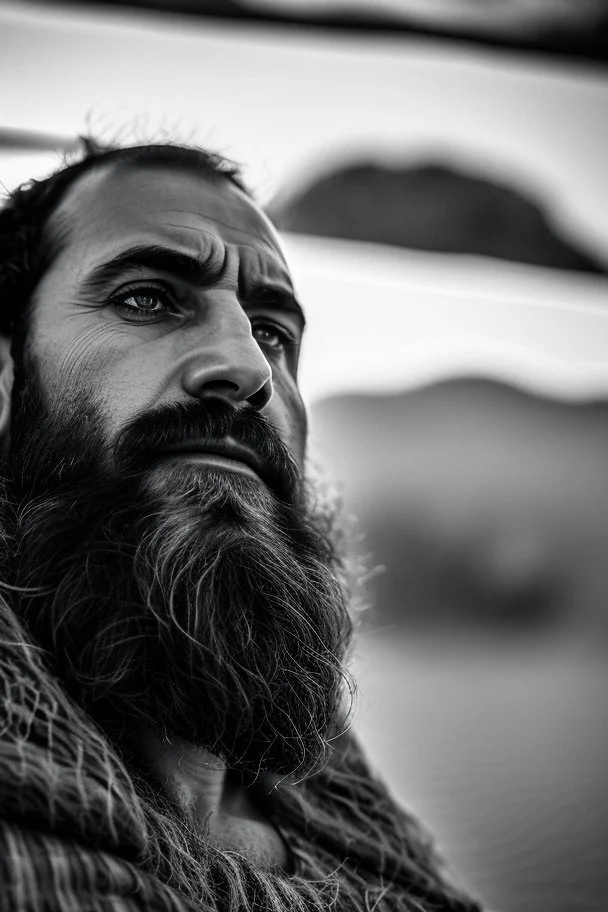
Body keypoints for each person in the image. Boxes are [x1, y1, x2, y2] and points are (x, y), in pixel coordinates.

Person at [0, 141, 484, 911]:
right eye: (147, 298)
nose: (249, 368)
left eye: (271, 333)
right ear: (8, 373)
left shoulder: (312, 759)